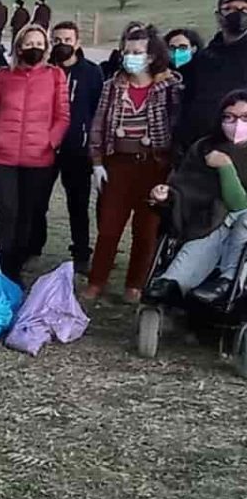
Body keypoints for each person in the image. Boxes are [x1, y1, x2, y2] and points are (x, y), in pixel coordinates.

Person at [84, 27, 182, 303]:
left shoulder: (170, 86)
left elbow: (177, 127)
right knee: (109, 227)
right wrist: (97, 162)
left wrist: (173, 168)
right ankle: (96, 281)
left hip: (154, 165)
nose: (131, 57)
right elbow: (98, 125)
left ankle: (135, 284)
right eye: (127, 52)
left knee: (146, 228)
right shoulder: (112, 85)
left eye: (137, 53)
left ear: (152, 56)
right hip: (118, 164)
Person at [0, 24, 70, 285]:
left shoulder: (55, 76)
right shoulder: (2, 75)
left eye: (39, 44)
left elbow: (62, 115)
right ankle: (1, 266)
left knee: (28, 215)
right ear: (19, 46)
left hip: (38, 158)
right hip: (2, 156)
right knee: (7, 212)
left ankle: (16, 265)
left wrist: (51, 140)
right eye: (29, 43)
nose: (34, 48)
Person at [145, 90, 247, 305]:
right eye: (229, 117)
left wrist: (226, 167)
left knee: (239, 220)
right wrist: (167, 195)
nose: (236, 124)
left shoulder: (220, 157)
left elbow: (238, 204)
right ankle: (173, 282)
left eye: (245, 118)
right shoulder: (204, 147)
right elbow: (186, 186)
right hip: (206, 217)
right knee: (214, 225)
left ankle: (227, 280)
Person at [29, 21, 105, 274]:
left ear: (77, 42)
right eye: (57, 40)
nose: (62, 44)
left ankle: (81, 252)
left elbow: (97, 110)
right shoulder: (43, 70)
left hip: (77, 149)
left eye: (67, 40)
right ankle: (33, 246)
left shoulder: (92, 72)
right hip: (46, 146)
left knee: (78, 203)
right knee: (37, 201)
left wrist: (92, 143)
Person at [176, 0, 247, 151]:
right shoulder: (204, 58)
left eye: (244, 10)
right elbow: (188, 101)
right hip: (204, 147)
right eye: (229, 9)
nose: (237, 14)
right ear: (218, 16)